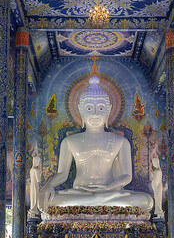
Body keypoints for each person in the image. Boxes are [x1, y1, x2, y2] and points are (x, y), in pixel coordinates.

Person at [38, 71, 153, 211]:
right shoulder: (69, 141)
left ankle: (98, 200)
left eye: (100, 108)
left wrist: (108, 188)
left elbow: (126, 176)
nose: (95, 114)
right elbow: (62, 174)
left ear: (109, 111)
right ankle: (96, 200)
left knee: (146, 201)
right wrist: (47, 186)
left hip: (110, 192)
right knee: (51, 201)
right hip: (80, 193)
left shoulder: (121, 141)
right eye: (89, 108)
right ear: (80, 110)